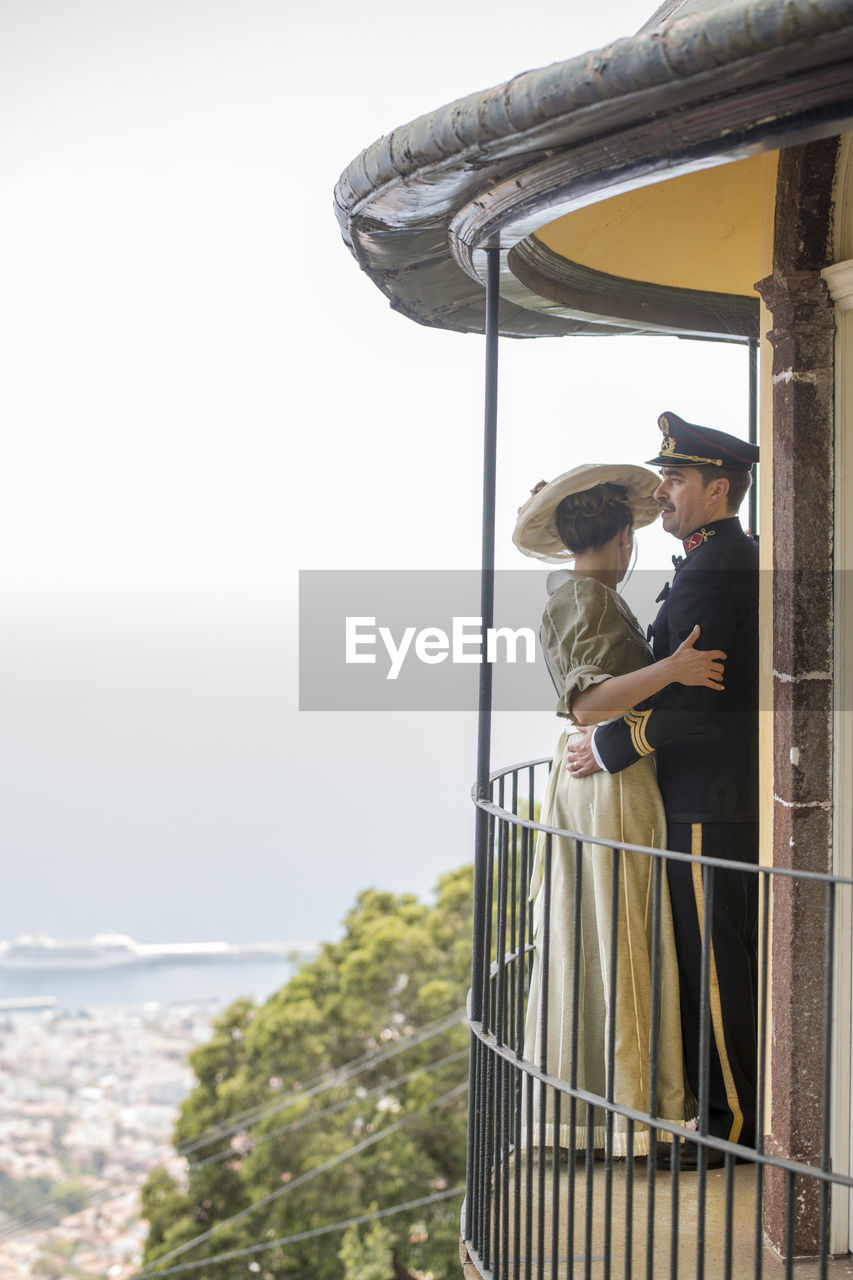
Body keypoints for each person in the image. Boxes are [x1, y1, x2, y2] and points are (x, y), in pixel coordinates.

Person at [513, 463, 726, 1156]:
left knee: (596, 933)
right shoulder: (593, 600)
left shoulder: (576, 592)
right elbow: (585, 703)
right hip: (610, 781)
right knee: (626, 931)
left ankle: (598, 1110)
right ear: (625, 538)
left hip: (589, 774)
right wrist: (671, 669)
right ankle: (641, 1117)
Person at [566, 413, 760, 1167]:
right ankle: (719, 1116)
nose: (662, 490)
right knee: (707, 952)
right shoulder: (703, 559)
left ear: (718, 487)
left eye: (675, 479)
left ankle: (731, 1129)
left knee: (713, 958)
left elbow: (694, 696)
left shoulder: (715, 566)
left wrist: (607, 747)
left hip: (705, 793)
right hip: (697, 788)